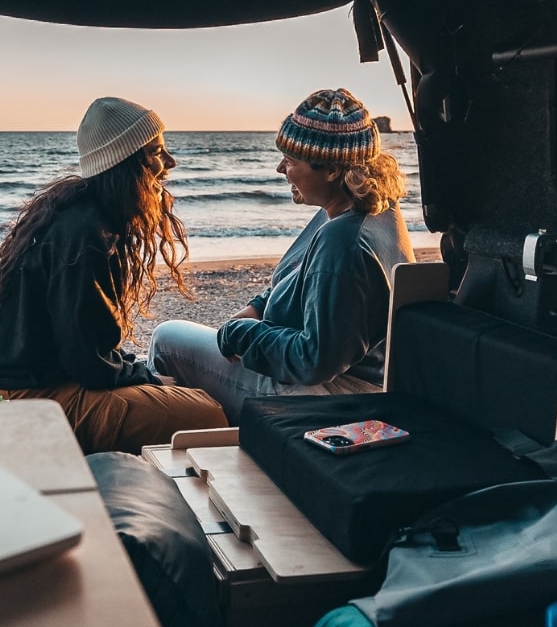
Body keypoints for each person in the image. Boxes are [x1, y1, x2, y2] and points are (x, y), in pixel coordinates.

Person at [0, 97, 226, 453]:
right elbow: (88, 365)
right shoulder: (87, 235)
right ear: (127, 162)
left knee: (179, 397)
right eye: (157, 153)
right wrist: (147, 377)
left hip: (31, 384)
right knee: (209, 414)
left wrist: (139, 376)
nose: (170, 163)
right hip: (35, 399)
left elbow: (84, 349)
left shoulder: (78, 214)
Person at [149, 89, 411, 420]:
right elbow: (300, 273)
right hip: (348, 384)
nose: (279, 169)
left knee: (166, 339)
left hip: (327, 399)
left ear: (331, 169)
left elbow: (315, 361)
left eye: (290, 161)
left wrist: (240, 334)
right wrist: (257, 307)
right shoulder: (366, 208)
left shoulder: (343, 241)